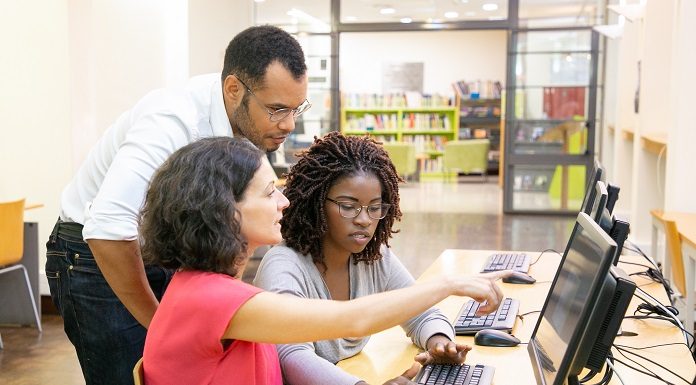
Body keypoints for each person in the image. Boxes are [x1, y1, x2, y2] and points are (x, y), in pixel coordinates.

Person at [45, 25, 311, 385]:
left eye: (297, 109)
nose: (288, 124)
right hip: (94, 254)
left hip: (155, 250)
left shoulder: (242, 121)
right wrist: (163, 328)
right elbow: (107, 227)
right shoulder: (173, 120)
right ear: (234, 89)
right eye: (277, 109)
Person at [141, 137, 508, 385]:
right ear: (225, 209)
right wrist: (448, 284)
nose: (284, 203)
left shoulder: (202, 287)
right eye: (270, 193)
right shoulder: (213, 299)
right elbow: (352, 318)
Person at [254, 132, 481, 385]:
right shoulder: (284, 265)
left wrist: (439, 343)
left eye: (375, 208)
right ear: (315, 204)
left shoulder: (374, 256)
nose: (364, 220)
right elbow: (291, 355)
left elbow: (421, 314)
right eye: (349, 206)